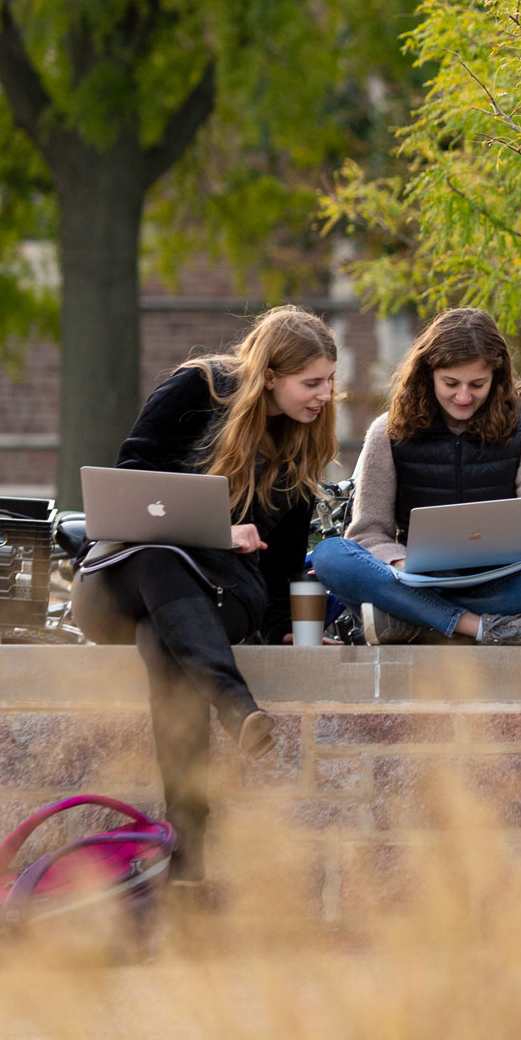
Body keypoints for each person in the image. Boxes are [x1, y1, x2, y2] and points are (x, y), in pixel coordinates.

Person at [69, 305, 337, 882]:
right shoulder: (199, 389)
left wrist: (281, 627)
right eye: (312, 382)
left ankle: (188, 852)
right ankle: (235, 706)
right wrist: (215, 529)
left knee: (164, 638)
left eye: (329, 381)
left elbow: (285, 563)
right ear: (270, 375)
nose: (324, 395)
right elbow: (128, 483)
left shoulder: (299, 449)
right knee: (162, 560)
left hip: (220, 599)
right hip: (119, 581)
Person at [312, 309, 521, 645]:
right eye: (450, 383)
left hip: (504, 581)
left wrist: (514, 556)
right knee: (330, 557)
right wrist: (402, 562)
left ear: (497, 376)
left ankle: (415, 620)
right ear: (427, 374)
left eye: (477, 384)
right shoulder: (386, 433)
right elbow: (368, 534)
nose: (463, 397)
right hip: (415, 579)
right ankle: (483, 628)